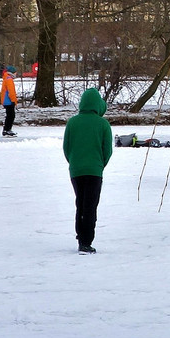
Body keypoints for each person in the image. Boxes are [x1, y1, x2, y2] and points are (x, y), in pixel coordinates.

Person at [62, 88, 113, 253]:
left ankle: (80, 235)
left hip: (76, 170)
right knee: (90, 206)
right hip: (94, 170)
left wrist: (74, 162)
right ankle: (86, 241)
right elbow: (107, 150)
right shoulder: (103, 124)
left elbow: (66, 147)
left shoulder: (72, 122)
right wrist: (99, 165)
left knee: (80, 203)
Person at [0, 67, 20, 136]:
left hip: (6, 100)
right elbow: (11, 92)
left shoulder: (6, 78)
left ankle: (6, 129)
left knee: (9, 115)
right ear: (12, 73)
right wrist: (14, 100)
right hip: (9, 100)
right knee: (11, 116)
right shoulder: (9, 79)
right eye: (15, 72)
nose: (16, 74)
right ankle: (7, 130)